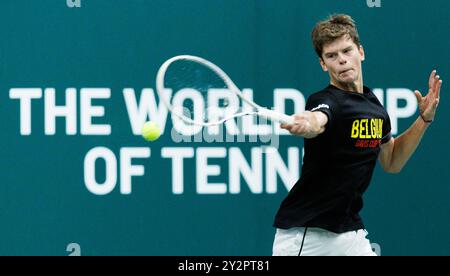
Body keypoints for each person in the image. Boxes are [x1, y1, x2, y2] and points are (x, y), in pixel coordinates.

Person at [272, 14, 442, 256]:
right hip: (307, 235)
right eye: (331, 56)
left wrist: (423, 120)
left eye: (346, 51)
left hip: (349, 233)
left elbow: (392, 161)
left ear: (360, 52)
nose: (341, 60)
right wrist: (308, 123)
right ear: (323, 64)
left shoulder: (375, 108)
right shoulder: (326, 100)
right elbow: (319, 119)